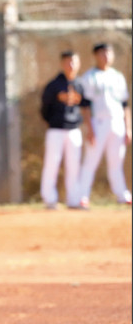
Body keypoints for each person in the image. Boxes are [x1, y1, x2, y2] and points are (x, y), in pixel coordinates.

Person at [77, 42, 132, 207]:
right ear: (95, 55)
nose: (106, 56)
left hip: (117, 122)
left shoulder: (118, 76)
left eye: (108, 52)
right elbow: (85, 105)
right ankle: (82, 196)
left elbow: (125, 104)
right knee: (90, 161)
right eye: (102, 53)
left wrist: (128, 127)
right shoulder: (89, 76)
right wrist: (89, 128)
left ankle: (122, 195)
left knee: (116, 162)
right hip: (98, 122)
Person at [40, 50, 84, 210]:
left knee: (74, 166)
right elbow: (44, 108)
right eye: (68, 61)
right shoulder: (53, 85)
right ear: (62, 63)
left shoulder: (80, 85)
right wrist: (53, 121)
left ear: (79, 64)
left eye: (74, 61)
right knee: (52, 164)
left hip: (74, 130)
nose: (71, 65)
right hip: (56, 130)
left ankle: (74, 200)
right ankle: (50, 199)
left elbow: (85, 106)